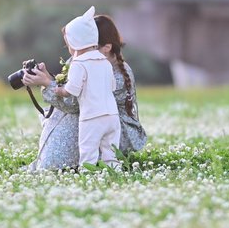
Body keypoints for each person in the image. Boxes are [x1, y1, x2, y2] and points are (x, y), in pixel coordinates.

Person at [23, 10, 147, 170]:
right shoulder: (84, 58)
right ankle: (77, 163)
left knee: (80, 121)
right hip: (94, 118)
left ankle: (86, 166)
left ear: (106, 47)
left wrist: (48, 84)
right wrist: (48, 78)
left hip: (114, 129)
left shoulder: (118, 74)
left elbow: (74, 103)